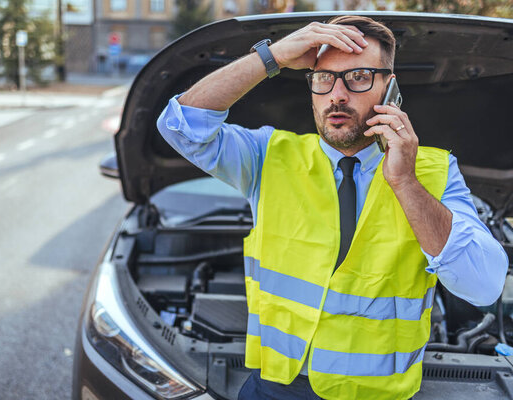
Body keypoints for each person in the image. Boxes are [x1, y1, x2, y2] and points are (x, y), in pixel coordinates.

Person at [156, 15, 509, 400]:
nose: (337, 95)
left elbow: (483, 285)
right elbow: (180, 126)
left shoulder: (434, 171)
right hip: (274, 388)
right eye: (324, 78)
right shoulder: (268, 155)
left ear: (391, 91)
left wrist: (405, 181)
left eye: (358, 77)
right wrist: (270, 56)